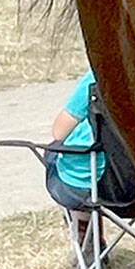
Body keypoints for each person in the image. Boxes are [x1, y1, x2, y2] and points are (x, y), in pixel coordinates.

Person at [45, 68, 106, 243]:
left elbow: (59, 131)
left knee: (55, 155)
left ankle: (86, 240)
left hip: (88, 189)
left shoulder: (96, 77)